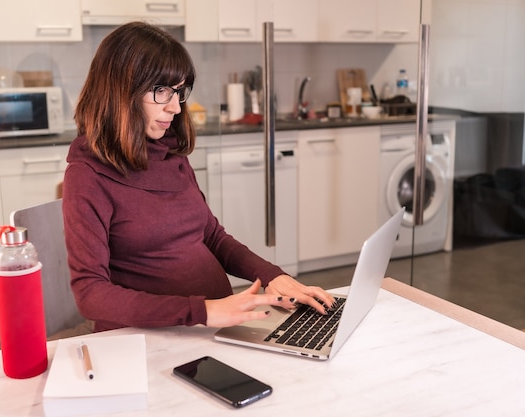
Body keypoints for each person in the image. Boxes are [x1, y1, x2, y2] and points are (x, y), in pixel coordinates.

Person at [62, 21, 335, 333]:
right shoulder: (88, 175)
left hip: (208, 328)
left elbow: (212, 237)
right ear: (120, 92)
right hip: (149, 338)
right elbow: (91, 294)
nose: (176, 107)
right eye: (161, 91)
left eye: (179, 92)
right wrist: (203, 311)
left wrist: (273, 276)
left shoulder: (168, 152)